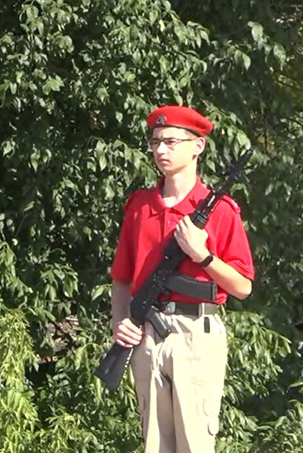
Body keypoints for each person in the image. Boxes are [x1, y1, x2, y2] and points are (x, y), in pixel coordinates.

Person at [110, 105, 255, 453]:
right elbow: (121, 278)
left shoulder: (220, 211)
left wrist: (202, 255)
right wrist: (120, 322)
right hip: (147, 334)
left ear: (197, 146)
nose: (160, 150)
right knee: (155, 445)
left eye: (171, 142)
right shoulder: (140, 207)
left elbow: (243, 287)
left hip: (197, 334)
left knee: (195, 445)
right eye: (155, 142)